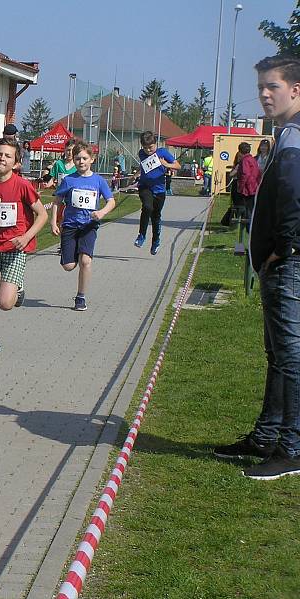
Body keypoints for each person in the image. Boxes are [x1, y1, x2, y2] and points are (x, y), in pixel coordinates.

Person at [214, 54, 300, 480]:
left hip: (288, 265)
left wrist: (280, 251)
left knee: (290, 357)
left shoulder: (296, 139)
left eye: (273, 87)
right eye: (261, 87)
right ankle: (267, 436)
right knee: (277, 354)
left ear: (296, 90)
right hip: (278, 265)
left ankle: (292, 447)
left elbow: (295, 204)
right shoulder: (284, 135)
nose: (264, 94)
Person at [0, 138, 48, 361]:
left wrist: (26, 237)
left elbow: (42, 214)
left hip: (15, 247)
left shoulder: (22, 185)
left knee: (6, 303)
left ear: (16, 162)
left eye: (7, 156)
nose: (2, 159)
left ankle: (18, 287)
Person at [51, 141, 116, 311]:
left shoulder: (98, 181)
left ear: (92, 159)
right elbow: (57, 201)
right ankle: (70, 251)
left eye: (84, 158)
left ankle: (81, 297)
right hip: (70, 225)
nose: (81, 162)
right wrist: (53, 222)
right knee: (69, 266)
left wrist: (102, 212)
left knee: (85, 261)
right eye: (78, 158)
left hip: (89, 226)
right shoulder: (69, 180)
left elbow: (111, 201)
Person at [133, 131, 180, 255]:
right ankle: (141, 235)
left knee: (156, 216)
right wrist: (136, 174)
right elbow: (143, 166)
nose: (149, 150)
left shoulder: (163, 152)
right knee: (147, 207)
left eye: (151, 147)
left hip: (159, 189)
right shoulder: (141, 153)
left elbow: (178, 166)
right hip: (145, 187)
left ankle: (156, 241)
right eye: (146, 147)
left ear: (156, 144)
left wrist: (166, 164)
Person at [233, 142, 261, 225]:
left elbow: (245, 174)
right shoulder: (252, 159)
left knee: (247, 209)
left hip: (248, 188)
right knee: (251, 207)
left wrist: (241, 187)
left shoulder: (244, 160)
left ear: (240, 151)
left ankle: (249, 227)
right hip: (254, 186)